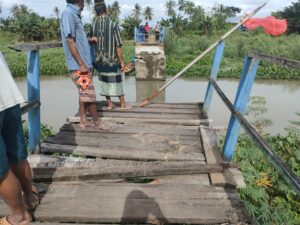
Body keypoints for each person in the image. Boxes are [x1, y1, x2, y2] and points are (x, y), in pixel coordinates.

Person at [0, 52, 38, 225]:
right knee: (17, 155)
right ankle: (29, 198)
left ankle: (19, 215)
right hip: (8, 95)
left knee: (0, 170)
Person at [60, 0, 107, 129]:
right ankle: (97, 122)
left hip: (84, 63)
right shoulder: (68, 13)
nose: (85, 3)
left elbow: (75, 38)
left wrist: (88, 40)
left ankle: (83, 120)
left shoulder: (74, 14)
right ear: (79, 1)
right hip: (79, 65)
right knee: (89, 93)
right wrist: (81, 64)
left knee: (84, 92)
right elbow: (69, 40)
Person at [89, 1, 132, 110]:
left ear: (96, 12)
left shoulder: (93, 25)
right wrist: (122, 61)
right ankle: (122, 104)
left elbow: (89, 40)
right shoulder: (113, 25)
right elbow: (118, 45)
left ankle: (109, 104)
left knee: (104, 81)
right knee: (116, 80)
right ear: (106, 10)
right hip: (111, 60)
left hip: (99, 60)